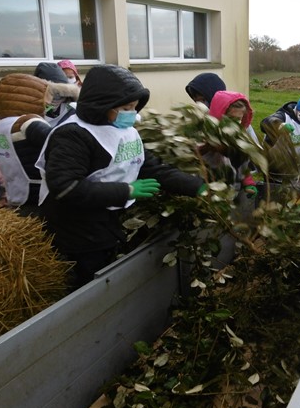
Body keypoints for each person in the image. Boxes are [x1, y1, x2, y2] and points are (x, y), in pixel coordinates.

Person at [36, 65, 206, 291]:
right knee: (88, 285)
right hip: (76, 231)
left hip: (104, 222)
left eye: (134, 107)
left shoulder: (123, 130)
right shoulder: (73, 135)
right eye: (125, 107)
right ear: (102, 104)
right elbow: (65, 187)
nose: (132, 114)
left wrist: (197, 187)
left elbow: (152, 167)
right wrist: (126, 191)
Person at [0, 73, 69, 217]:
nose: (48, 103)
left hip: (16, 192)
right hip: (36, 193)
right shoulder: (29, 123)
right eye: (46, 97)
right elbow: (60, 142)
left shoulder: (3, 125)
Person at [199, 90, 258, 197]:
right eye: (231, 119)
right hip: (208, 188)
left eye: (239, 119)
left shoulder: (238, 137)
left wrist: (248, 182)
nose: (235, 123)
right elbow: (190, 156)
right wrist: (208, 146)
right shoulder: (204, 133)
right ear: (219, 115)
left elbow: (242, 163)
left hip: (231, 190)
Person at [34, 62, 80, 126]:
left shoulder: (72, 110)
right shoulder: (29, 112)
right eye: (52, 93)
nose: (56, 98)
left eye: (61, 93)